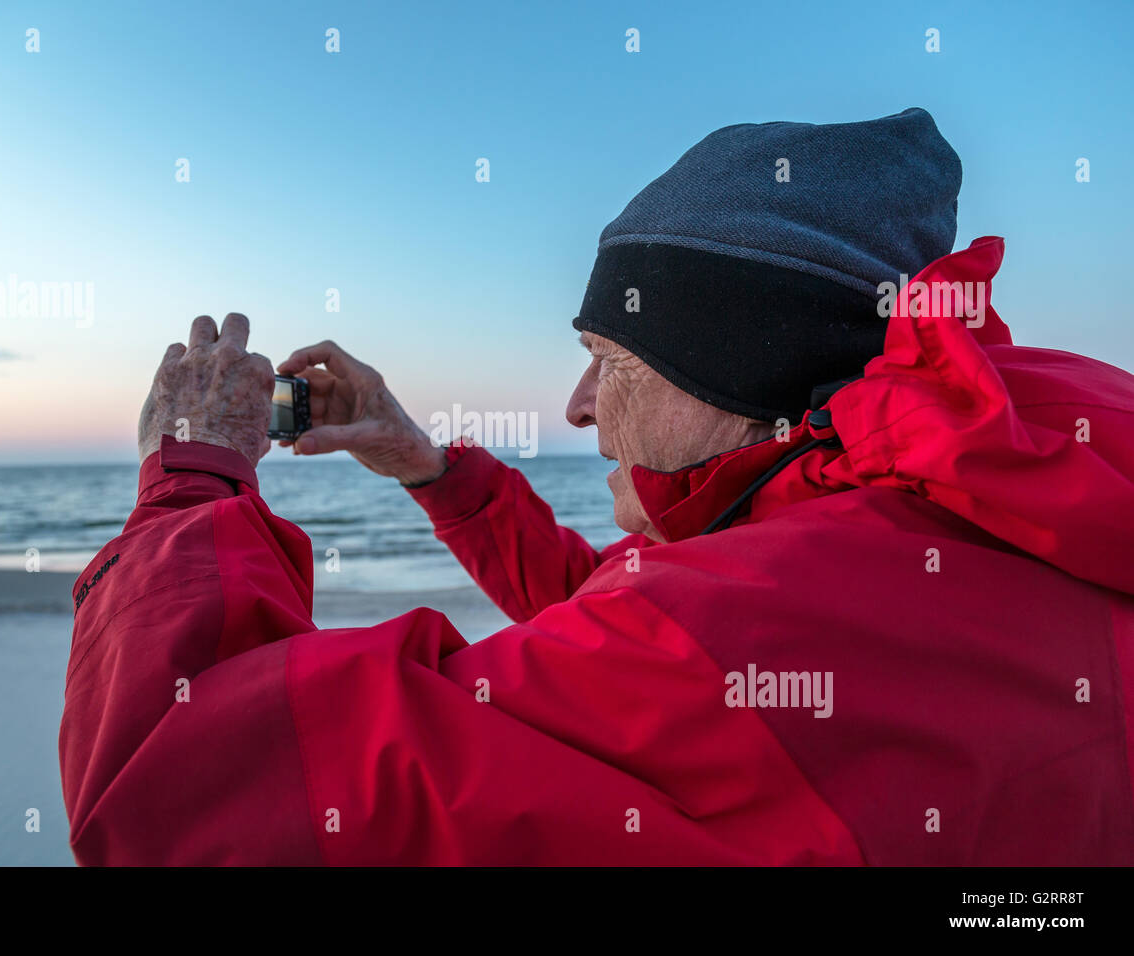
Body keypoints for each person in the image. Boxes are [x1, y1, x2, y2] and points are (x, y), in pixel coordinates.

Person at [59, 108, 1134, 864]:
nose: (578, 406)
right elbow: (615, 618)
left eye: (611, 360)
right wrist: (426, 464)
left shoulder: (753, 627)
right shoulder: (978, 476)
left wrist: (192, 476)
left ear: (743, 366)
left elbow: (177, 789)